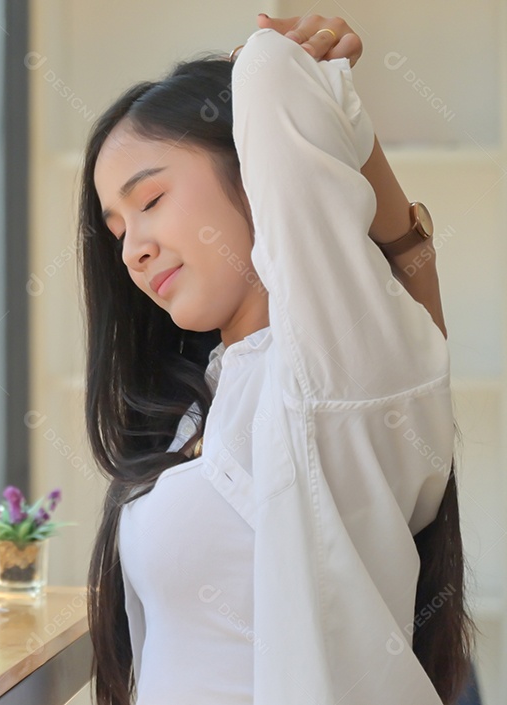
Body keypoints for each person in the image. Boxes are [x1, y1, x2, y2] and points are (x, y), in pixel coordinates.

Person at [80, 13, 475, 705]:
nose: (133, 250)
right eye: (117, 230)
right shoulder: (208, 400)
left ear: (253, 168)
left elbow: (270, 77)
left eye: (151, 199)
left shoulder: (324, 370)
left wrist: (293, 72)